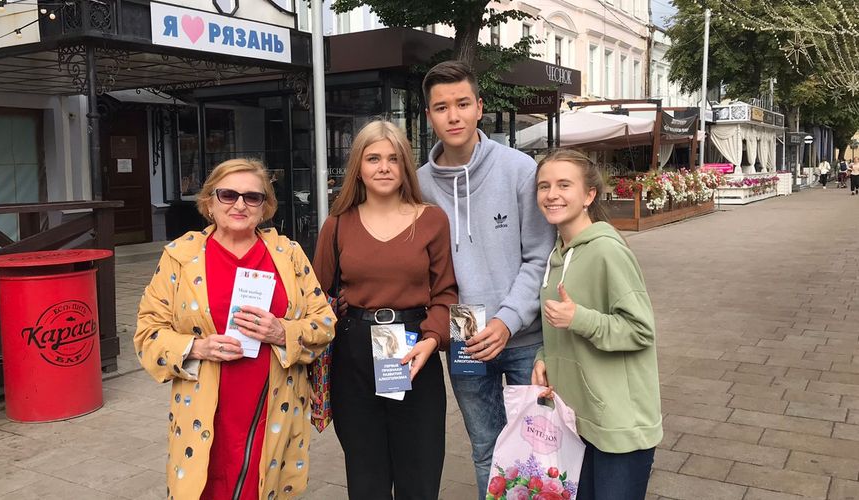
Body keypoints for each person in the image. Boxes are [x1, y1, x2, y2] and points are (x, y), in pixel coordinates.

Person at [134, 159, 336, 500]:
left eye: (252, 197)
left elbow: (324, 323)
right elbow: (148, 332)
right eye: (228, 195)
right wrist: (197, 347)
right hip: (205, 408)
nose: (240, 205)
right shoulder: (180, 256)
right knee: (206, 486)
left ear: (265, 206)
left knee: (261, 487)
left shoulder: (288, 255)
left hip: (272, 404)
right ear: (209, 202)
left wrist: (281, 332)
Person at [415, 60, 556, 499]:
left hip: (524, 334)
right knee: (485, 448)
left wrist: (507, 320)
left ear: (479, 107)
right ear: (429, 116)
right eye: (441, 107)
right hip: (464, 332)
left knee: (537, 447)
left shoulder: (518, 169)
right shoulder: (419, 185)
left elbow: (540, 256)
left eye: (462, 104)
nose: (453, 116)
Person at [313, 120, 458, 499]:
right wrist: (330, 307)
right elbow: (314, 295)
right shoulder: (337, 225)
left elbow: (446, 293)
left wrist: (432, 339)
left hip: (414, 352)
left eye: (393, 159)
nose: (384, 167)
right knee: (367, 479)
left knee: (420, 477)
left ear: (405, 165)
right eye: (373, 158)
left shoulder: (432, 220)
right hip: (354, 357)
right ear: (358, 167)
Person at [530, 149, 662, 500]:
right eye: (544, 186)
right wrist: (544, 357)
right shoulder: (556, 255)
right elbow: (558, 325)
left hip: (619, 425)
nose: (552, 194)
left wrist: (580, 318)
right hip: (577, 419)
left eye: (564, 185)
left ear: (589, 195)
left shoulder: (607, 251)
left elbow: (640, 330)